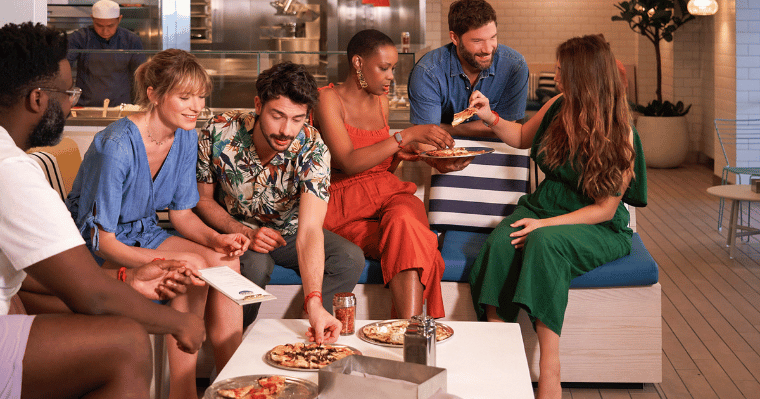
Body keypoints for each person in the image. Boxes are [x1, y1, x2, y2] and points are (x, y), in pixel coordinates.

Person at [0, 21, 205, 399]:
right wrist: (178, 322)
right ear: (37, 99)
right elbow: (90, 292)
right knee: (126, 342)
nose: (72, 103)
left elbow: (27, 277)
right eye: (68, 92)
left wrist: (126, 281)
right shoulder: (11, 171)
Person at [466, 35, 647, 399]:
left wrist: (543, 225)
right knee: (502, 241)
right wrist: (490, 116)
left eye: (562, 69)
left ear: (582, 76)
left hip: (595, 224)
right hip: (545, 205)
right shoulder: (558, 106)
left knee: (544, 242)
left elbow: (605, 209)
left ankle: (550, 370)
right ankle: (499, 346)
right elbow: (518, 136)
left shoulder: (621, 132)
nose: (555, 74)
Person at [65, 48, 248, 399]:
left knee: (227, 259)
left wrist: (216, 239)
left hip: (142, 233)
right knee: (192, 266)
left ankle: (231, 382)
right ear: (154, 94)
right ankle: (182, 391)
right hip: (94, 245)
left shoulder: (185, 136)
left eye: (201, 97)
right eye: (185, 97)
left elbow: (180, 215)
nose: (196, 106)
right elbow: (103, 240)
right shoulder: (114, 146)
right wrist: (172, 260)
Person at [194, 61, 365, 342]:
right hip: (236, 233)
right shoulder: (219, 130)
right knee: (255, 267)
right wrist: (245, 232)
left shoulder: (313, 147)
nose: (286, 130)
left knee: (349, 258)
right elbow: (202, 201)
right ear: (258, 105)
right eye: (277, 116)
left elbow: (309, 230)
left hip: (289, 234)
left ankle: (306, 334)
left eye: (297, 119)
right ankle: (233, 344)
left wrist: (314, 301)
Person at [313, 29, 463, 319]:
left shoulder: (380, 101)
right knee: (412, 238)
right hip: (345, 209)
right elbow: (349, 161)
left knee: (406, 221)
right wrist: (402, 138)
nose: (391, 76)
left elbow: (381, 160)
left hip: (387, 197)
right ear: (358, 63)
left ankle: (409, 331)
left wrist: (423, 156)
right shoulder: (328, 100)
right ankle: (415, 334)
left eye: (392, 68)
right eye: (384, 68)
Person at [407, 0, 529, 137]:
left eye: (493, 37)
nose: (488, 49)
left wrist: (447, 129)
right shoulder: (427, 72)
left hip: (499, 151)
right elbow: (427, 135)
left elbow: (508, 127)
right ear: (454, 38)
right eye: (477, 41)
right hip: (444, 151)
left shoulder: (515, 65)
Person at [66, 0, 146, 107]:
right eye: (99, 25)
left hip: (121, 106)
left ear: (119, 19)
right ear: (92, 19)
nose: (105, 31)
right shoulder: (79, 38)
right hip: (85, 105)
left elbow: (141, 75)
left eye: (110, 26)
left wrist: (141, 104)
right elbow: (64, 67)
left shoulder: (132, 40)